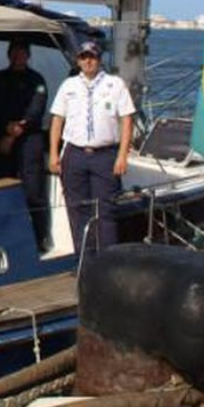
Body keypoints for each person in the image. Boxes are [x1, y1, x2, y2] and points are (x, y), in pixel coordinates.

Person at [47, 40, 135, 254]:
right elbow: (57, 120)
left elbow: (127, 120)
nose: (88, 61)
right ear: (78, 60)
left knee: (106, 211)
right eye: (83, 57)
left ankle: (108, 262)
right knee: (77, 210)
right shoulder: (68, 86)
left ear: (99, 59)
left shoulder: (115, 84)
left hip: (105, 156)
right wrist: (53, 154)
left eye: (92, 57)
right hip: (74, 154)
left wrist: (122, 155)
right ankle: (85, 262)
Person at [0, 39, 50, 250]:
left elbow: (36, 108)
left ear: (28, 55)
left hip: (29, 139)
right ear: (9, 54)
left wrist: (15, 132)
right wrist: (6, 128)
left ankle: (40, 237)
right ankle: (6, 237)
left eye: (22, 52)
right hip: (2, 137)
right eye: (15, 52)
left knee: (33, 191)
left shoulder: (37, 80)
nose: (18, 56)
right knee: (3, 187)